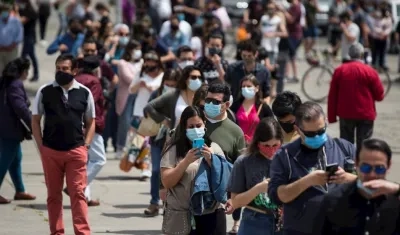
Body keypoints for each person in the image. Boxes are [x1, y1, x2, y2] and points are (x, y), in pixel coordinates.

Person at [268, 101, 357, 235]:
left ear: (326, 122)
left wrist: (349, 178)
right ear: (297, 129)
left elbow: (371, 184)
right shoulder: (284, 155)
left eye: (321, 131)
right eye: (310, 134)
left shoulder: (344, 148)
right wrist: (307, 181)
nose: (317, 136)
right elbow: (277, 196)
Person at [31, 54, 95, 235]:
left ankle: (82, 232)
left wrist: (86, 145)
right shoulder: (45, 91)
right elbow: (35, 120)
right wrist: (41, 146)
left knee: (78, 193)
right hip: (51, 151)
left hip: (76, 150)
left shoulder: (84, 92)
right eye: (58, 68)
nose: (61, 72)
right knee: (53, 195)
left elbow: (91, 122)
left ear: (75, 71)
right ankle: (57, 232)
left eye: (65, 69)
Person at [161, 106, 229, 235]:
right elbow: (167, 182)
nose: (196, 130)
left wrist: (212, 161)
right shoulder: (173, 150)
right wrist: (186, 162)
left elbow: (225, 181)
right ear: (184, 128)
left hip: (211, 215)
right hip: (183, 216)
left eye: (198, 125)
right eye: (191, 127)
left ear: (204, 125)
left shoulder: (214, 148)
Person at [314, 138, 400, 234]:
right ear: (357, 164)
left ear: (388, 166)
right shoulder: (334, 200)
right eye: (366, 168)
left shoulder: (395, 200)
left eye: (379, 169)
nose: (372, 174)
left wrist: (397, 190)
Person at [227, 117, 284, 234]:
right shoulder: (244, 162)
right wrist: (259, 188)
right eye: (266, 146)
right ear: (257, 143)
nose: (271, 150)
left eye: (275, 145)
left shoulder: (287, 158)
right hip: (254, 222)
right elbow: (235, 202)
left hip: (284, 223)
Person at [203, 82, 246, 233]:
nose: (209, 104)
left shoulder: (235, 132)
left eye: (215, 102)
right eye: (207, 100)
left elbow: (239, 168)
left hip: (217, 201)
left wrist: (234, 199)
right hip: (188, 198)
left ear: (226, 104)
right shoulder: (194, 124)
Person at [328, 43, 384, 155]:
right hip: (366, 113)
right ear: (362, 55)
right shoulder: (370, 71)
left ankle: (347, 166)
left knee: (345, 144)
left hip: (346, 113)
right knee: (364, 144)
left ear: (349, 54)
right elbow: (379, 95)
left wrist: (331, 116)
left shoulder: (340, 70)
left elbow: (332, 95)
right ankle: (362, 166)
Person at [144, 68, 181, 217]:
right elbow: (147, 109)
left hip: (175, 140)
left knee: (172, 173)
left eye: (173, 84)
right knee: (155, 171)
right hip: (158, 139)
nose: (169, 87)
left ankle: (169, 204)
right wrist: (163, 119)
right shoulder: (156, 94)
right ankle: (154, 202)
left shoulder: (180, 97)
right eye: (167, 83)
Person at [0, 58, 36, 204]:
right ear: (23, 72)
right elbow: (20, 107)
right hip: (10, 129)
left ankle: (20, 190)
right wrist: (34, 125)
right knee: (5, 160)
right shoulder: (15, 85)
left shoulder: (5, 82)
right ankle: (19, 190)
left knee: (16, 158)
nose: (28, 74)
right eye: (27, 71)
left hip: (4, 127)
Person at [72, 55, 107, 207]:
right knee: (99, 159)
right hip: (91, 124)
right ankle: (78, 185)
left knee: (86, 161)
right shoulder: (94, 81)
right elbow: (90, 103)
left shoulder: (76, 79)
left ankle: (85, 197)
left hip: (76, 124)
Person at [115, 39, 143, 158]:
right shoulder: (122, 63)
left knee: (138, 123)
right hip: (127, 95)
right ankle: (120, 147)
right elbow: (128, 78)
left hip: (140, 95)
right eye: (135, 49)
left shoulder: (141, 62)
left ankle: (135, 150)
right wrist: (142, 81)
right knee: (125, 122)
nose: (138, 52)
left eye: (139, 49)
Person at [230, 74, 274, 144]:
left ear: (257, 88)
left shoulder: (263, 107)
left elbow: (271, 126)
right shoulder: (235, 106)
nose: (246, 88)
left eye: (249, 86)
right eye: (243, 86)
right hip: (238, 145)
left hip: (257, 145)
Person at [18, 0, 39, 82]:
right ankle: (36, 74)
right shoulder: (24, 10)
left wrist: (16, 12)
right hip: (27, 36)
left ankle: (21, 74)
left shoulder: (30, 11)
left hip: (30, 37)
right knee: (32, 56)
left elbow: (21, 21)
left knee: (23, 56)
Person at [0, 2, 23, 74]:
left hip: (12, 50)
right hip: (0, 50)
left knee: (10, 70)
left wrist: (11, 46)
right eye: (3, 10)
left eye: (6, 11)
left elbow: (19, 35)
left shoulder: (15, 21)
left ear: (9, 11)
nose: (4, 13)